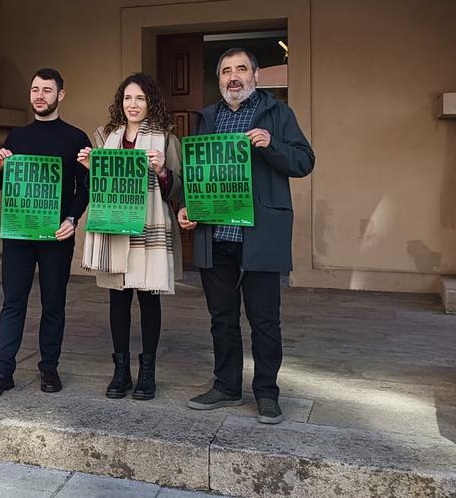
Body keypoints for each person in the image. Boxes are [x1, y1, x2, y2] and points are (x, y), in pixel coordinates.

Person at [178, 48, 314, 424]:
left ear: (256, 75)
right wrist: (187, 206)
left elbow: (304, 161)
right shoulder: (207, 118)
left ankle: (267, 393)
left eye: (241, 69)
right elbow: (195, 170)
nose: (233, 77)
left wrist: (272, 145)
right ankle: (226, 387)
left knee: (264, 319)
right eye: (225, 71)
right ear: (219, 79)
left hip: (260, 234)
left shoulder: (277, 114)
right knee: (221, 317)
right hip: (215, 232)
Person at [0, 68, 91, 398]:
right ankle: (3, 371)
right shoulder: (17, 137)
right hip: (19, 234)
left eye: (47, 90)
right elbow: (2, 184)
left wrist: (73, 218)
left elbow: (84, 186)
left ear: (61, 95)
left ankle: (49, 368)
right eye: (35, 89)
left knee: (53, 303)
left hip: (56, 234)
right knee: (13, 302)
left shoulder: (76, 137)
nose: (40, 95)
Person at [77, 72, 183, 401]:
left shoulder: (166, 138)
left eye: (139, 98)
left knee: (148, 298)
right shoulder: (105, 135)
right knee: (117, 299)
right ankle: (120, 370)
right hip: (114, 227)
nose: (132, 104)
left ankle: (147, 371)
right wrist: (91, 166)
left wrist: (162, 171)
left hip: (149, 226)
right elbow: (101, 186)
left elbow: (177, 189)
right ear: (120, 103)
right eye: (127, 98)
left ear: (150, 102)